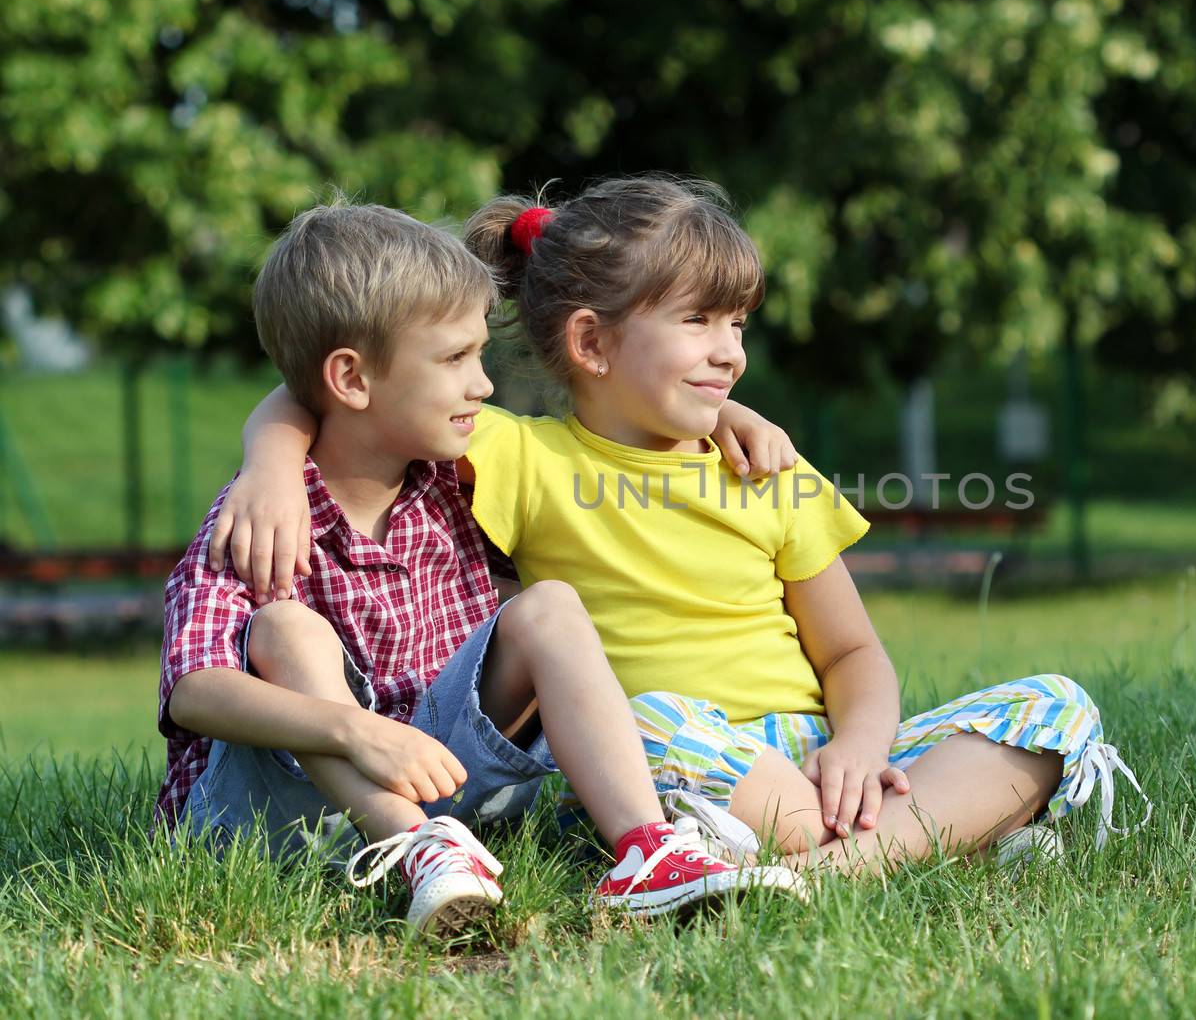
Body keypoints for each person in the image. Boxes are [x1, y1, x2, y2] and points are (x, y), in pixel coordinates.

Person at [230, 178, 1150, 872]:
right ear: (590, 345)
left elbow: (855, 657)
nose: (731, 351)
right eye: (700, 319)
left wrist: (860, 751)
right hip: (663, 760)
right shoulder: (519, 455)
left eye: (739, 321)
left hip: (811, 757)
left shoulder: (769, 471)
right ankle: (931, 839)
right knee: (652, 719)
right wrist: (271, 460)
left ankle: (842, 863)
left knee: (1056, 705)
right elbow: (349, 382)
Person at [159, 198, 805, 936]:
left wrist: (725, 414)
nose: (484, 384)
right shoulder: (259, 514)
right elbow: (194, 691)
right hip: (279, 808)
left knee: (549, 605)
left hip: (442, 778)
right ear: (352, 380)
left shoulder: (455, 479)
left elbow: (622, 416)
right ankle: (409, 848)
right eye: (454, 360)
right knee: (285, 628)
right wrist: (351, 731)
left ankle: (648, 849)